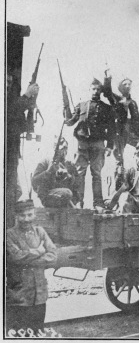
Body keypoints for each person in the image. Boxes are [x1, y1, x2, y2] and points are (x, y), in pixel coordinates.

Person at [6, 199, 57, 333]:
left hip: (39, 294)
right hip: (19, 295)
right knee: (16, 334)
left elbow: (53, 255)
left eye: (30, 215)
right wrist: (40, 251)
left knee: (37, 332)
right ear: (16, 216)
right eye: (22, 215)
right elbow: (16, 256)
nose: (26, 219)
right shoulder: (9, 234)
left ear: (34, 215)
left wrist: (29, 258)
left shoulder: (40, 232)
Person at [64, 78, 115, 210]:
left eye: (98, 89)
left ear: (101, 91)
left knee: (96, 174)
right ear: (89, 90)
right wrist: (66, 107)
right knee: (80, 173)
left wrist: (110, 146)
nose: (96, 91)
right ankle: (78, 202)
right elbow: (70, 122)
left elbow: (112, 129)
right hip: (82, 144)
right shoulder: (81, 105)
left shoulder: (107, 108)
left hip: (98, 144)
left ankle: (98, 203)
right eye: (93, 89)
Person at [103, 75, 139, 190]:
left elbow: (138, 119)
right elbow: (107, 91)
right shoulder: (116, 98)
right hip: (120, 132)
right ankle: (117, 190)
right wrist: (107, 79)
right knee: (119, 161)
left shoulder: (133, 103)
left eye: (129, 84)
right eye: (125, 84)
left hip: (133, 132)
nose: (128, 86)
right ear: (120, 87)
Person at [6, 74, 38, 227]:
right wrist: (26, 95)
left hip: (11, 149)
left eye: (9, 82)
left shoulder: (12, 98)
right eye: (5, 81)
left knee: (14, 189)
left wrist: (31, 106)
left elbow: (21, 125)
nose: (7, 85)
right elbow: (8, 112)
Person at [32, 136, 78, 208]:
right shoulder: (45, 162)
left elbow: (77, 185)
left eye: (65, 149)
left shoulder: (70, 165)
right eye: (61, 149)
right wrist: (48, 172)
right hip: (48, 196)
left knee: (68, 193)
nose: (63, 152)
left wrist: (69, 177)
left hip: (67, 199)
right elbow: (34, 181)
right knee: (67, 193)